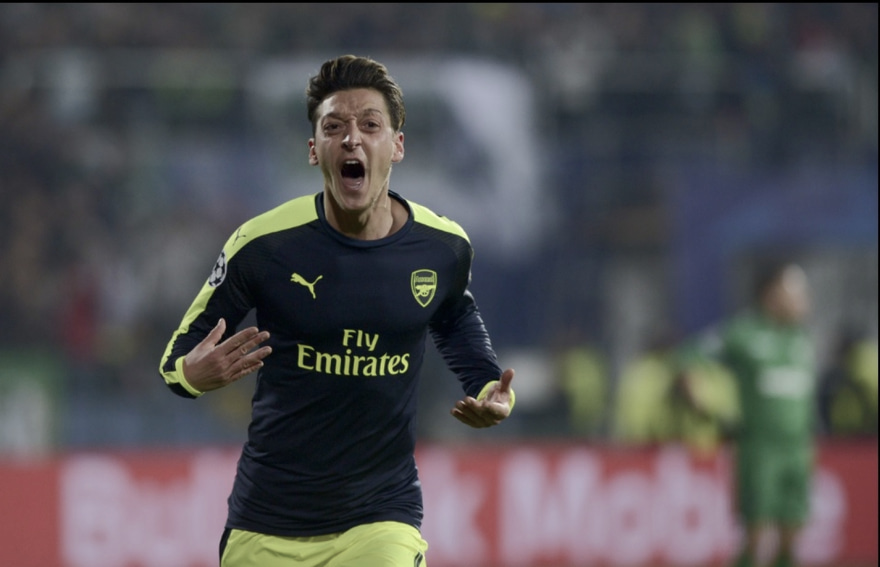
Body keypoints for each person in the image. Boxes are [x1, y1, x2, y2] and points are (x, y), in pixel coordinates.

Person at [159, 54, 515, 567]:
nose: (352, 139)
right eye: (334, 127)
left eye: (370, 125)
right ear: (314, 150)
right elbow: (177, 355)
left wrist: (486, 384)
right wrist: (190, 375)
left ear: (397, 145)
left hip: (380, 518)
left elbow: (455, 316)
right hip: (266, 523)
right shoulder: (263, 245)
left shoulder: (443, 247)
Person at [677, 260, 816, 567]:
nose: (803, 300)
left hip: (798, 448)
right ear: (771, 295)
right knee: (756, 533)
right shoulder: (743, 332)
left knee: (793, 533)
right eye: (794, 292)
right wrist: (696, 391)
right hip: (759, 448)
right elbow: (692, 352)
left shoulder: (801, 339)